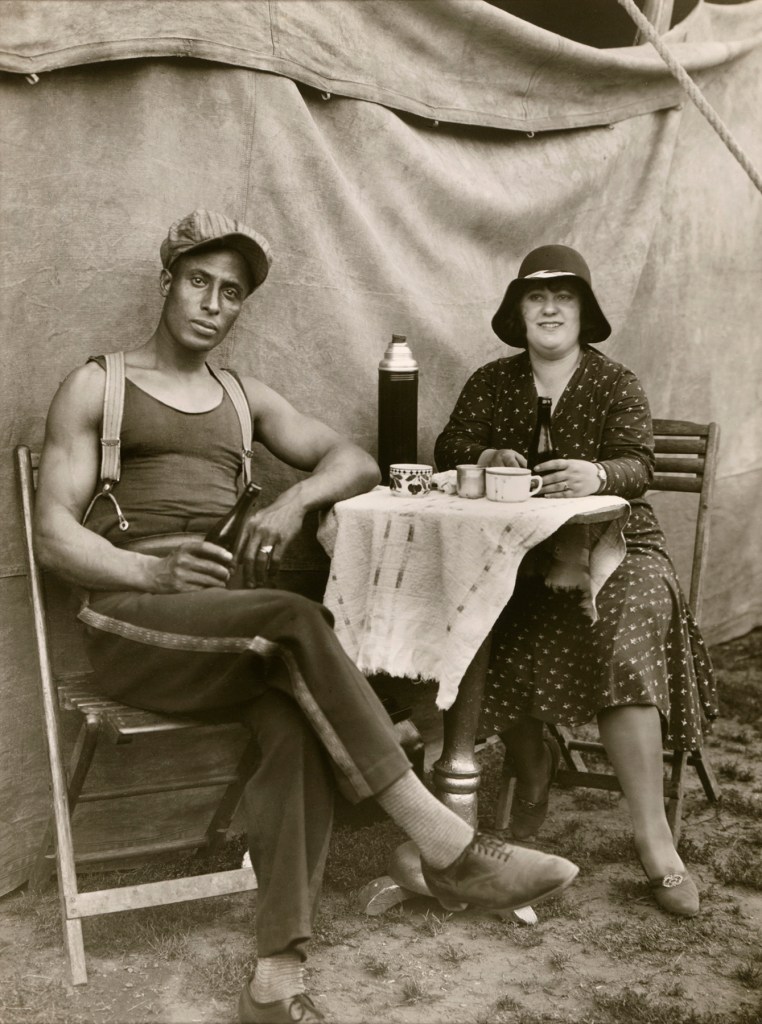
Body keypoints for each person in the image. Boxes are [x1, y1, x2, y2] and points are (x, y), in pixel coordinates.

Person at [34, 213, 579, 1024]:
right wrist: (150, 569)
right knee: (296, 620)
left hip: (228, 632)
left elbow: (354, 460)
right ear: (166, 282)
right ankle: (446, 843)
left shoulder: (241, 397)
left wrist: (294, 502)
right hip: (131, 623)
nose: (213, 303)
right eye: (199, 282)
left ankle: (275, 978)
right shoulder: (99, 387)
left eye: (231, 293)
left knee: (293, 720)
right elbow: (51, 536)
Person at [435, 244, 718, 920]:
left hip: (619, 546)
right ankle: (533, 769)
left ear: (584, 312)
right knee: (485, 616)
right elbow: (449, 448)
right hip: (523, 553)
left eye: (564, 297)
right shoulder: (491, 382)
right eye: (536, 297)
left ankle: (654, 837)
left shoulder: (616, 382)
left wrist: (598, 473)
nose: (550, 308)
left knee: (626, 622)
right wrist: (487, 454)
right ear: (518, 313)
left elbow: (640, 465)